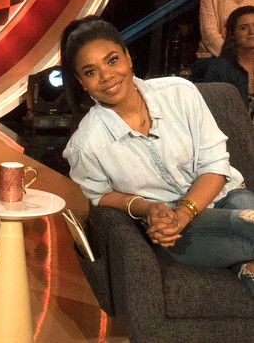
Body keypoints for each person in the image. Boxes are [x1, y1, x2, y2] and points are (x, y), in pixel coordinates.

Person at [60, 16, 254, 297]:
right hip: (171, 230)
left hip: (225, 196)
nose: (106, 76)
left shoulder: (180, 92)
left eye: (112, 61)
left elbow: (215, 165)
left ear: (128, 57)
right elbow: (100, 196)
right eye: (91, 72)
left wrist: (184, 212)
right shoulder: (86, 144)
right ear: (81, 82)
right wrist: (147, 208)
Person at [204, 4, 254, 119]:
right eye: (243, 28)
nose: (252, 31)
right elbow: (213, 111)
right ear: (232, 35)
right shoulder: (219, 68)